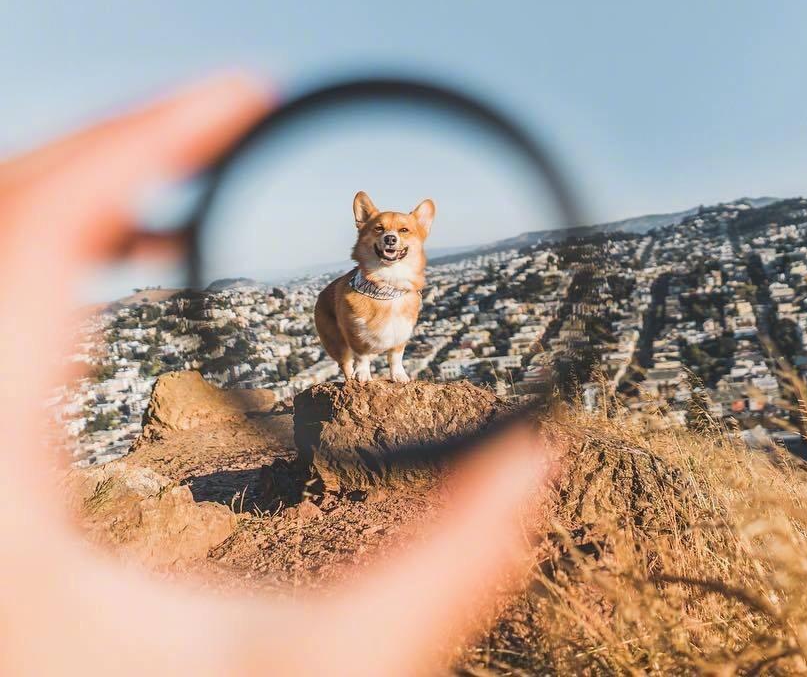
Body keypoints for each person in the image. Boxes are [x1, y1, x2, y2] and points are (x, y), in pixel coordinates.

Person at [0, 73, 549, 675]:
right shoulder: (343, 293)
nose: (391, 235)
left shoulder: (412, 286)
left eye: (404, 230)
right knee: (355, 359)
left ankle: (386, 363)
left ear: (419, 238)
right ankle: (362, 368)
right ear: (363, 232)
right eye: (379, 229)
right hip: (350, 344)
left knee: (392, 356)